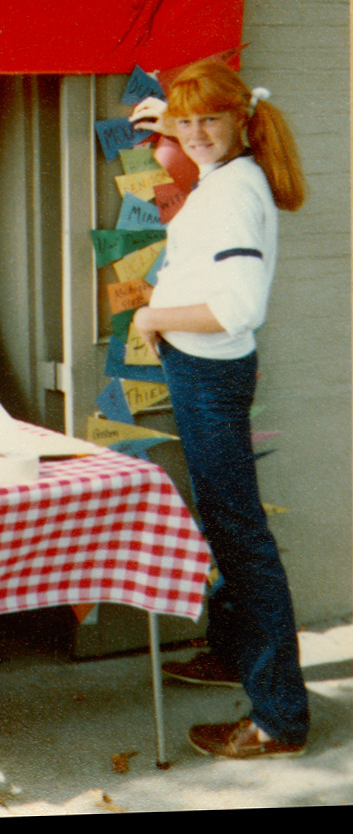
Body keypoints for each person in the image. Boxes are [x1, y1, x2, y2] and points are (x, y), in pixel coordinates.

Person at [129, 59, 310, 760]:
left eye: (211, 119)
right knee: (228, 521)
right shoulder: (225, 174)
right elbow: (195, 159)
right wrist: (170, 125)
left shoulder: (233, 192)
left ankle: (278, 720)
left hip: (209, 373)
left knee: (240, 535)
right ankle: (235, 655)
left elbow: (238, 306)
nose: (197, 132)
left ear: (241, 119)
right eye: (187, 120)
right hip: (202, 370)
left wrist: (152, 315)